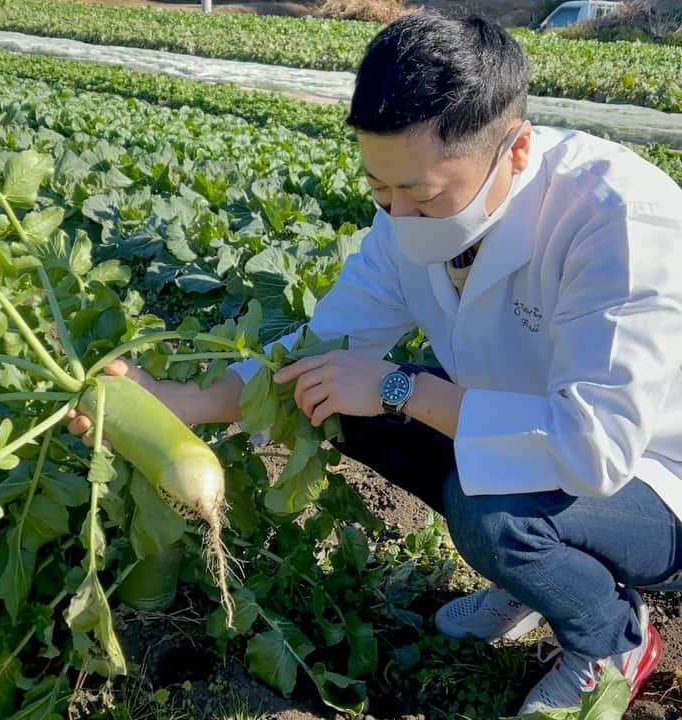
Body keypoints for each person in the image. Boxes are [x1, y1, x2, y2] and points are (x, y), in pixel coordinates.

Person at [68, 10, 682, 714]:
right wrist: (182, 401)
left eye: (420, 195)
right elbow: (322, 347)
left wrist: (401, 386)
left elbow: (592, 450)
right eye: (378, 190)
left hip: (655, 479)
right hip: (544, 434)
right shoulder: (406, 223)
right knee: (333, 394)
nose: (395, 217)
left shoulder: (617, 222)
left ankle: (611, 638)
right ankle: (531, 583)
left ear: (515, 152)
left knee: (491, 516)